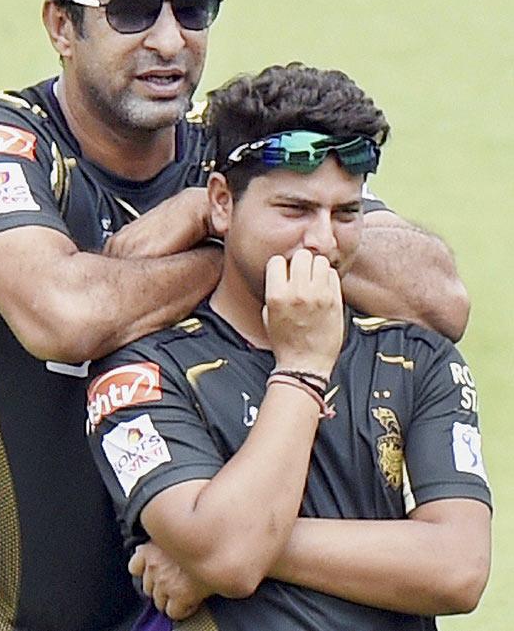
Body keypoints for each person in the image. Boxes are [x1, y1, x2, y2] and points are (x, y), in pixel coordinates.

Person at [0, 0, 469, 631]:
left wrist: (209, 219)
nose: (168, 39)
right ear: (60, 24)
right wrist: (234, 251)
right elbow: (66, 314)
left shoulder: (233, 154)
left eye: (191, 7)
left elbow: (438, 298)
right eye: (130, 10)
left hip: (167, 596)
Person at [86, 64, 491, 631]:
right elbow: (229, 557)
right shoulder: (144, 370)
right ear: (221, 204)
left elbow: (458, 570)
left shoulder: (415, 356)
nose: (324, 242)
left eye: (346, 213)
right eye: (295, 210)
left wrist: (223, 547)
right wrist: (302, 367)